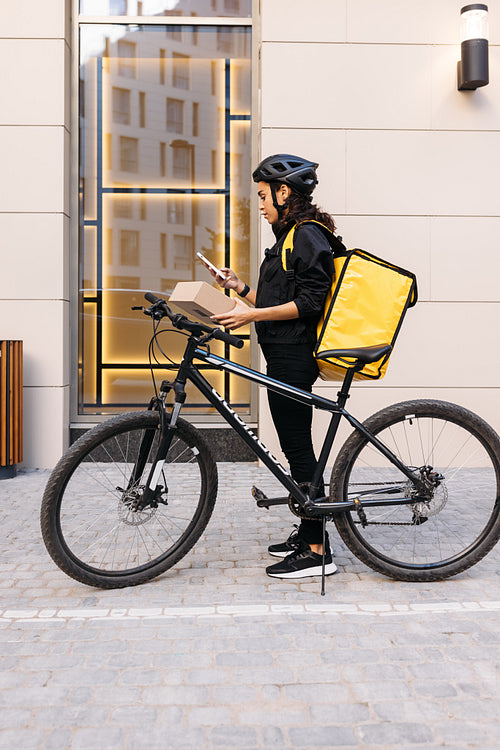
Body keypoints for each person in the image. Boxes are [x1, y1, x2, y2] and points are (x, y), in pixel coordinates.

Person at [210, 154, 337, 579]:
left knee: (298, 447)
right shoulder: (290, 237)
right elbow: (280, 298)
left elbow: (309, 303)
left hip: (294, 356)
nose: (261, 205)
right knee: (293, 445)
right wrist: (241, 288)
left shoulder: (306, 235)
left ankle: (318, 550)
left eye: (264, 196)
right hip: (281, 352)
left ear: (286, 193)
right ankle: (309, 530)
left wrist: (248, 316)